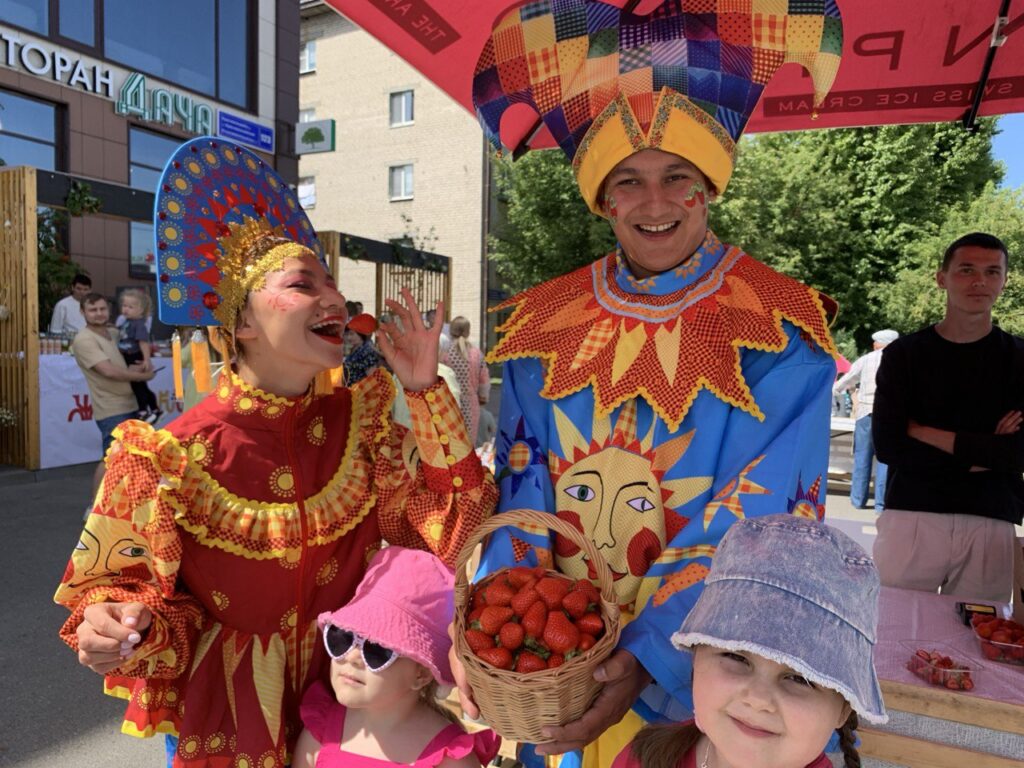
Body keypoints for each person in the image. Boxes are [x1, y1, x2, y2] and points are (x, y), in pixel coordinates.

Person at [462, 3, 845, 765]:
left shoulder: (781, 335)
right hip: (554, 674)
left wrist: (645, 655)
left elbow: (765, 521)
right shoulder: (544, 329)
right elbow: (522, 490)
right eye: (628, 181)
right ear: (602, 198)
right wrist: (508, 635)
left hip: (694, 693)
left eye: (679, 177)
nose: (655, 201)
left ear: (711, 187)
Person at [54, 137, 496, 768]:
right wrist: (117, 625)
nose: (334, 300)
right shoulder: (164, 456)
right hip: (230, 714)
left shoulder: (366, 424)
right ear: (241, 323)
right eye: (302, 284)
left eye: (332, 285)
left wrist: (424, 391)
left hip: (353, 698)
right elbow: (121, 591)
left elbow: (454, 528)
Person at [612, 514, 887, 768]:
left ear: (843, 709)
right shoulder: (640, 759)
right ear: (696, 656)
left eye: (800, 678)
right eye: (736, 657)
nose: (757, 699)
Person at [873, 232, 1024, 602]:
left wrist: (923, 432)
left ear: (1004, 281)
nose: (980, 281)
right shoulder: (903, 355)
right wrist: (986, 451)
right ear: (942, 278)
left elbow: (1018, 454)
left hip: (991, 518)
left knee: (979, 634)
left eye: (992, 272)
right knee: (890, 626)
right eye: (967, 270)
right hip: (912, 513)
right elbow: (890, 446)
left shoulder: (1020, 359)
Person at [293, 546, 500, 768]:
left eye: (377, 649)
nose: (352, 656)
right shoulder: (320, 731)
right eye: (343, 637)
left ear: (421, 674)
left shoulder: (450, 758)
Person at [70, 292, 156, 499]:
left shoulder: (114, 332)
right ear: (82, 312)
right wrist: (143, 376)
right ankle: (94, 507)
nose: (99, 313)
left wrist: (142, 362)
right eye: (93, 310)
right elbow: (108, 371)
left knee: (134, 458)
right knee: (111, 458)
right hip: (111, 409)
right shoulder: (83, 340)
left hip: (132, 404)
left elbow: (132, 353)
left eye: (102, 309)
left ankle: (126, 505)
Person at [832, 329, 898, 512]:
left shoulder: (867, 359)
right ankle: (881, 504)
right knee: (885, 460)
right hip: (890, 415)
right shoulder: (902, 358)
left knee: (862, 457)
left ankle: (858, 500)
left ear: (878, 344)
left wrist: (834, 390)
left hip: (866, 413)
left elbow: (847, 380)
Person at [440, 317, 490, 447]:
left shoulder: (444, 353)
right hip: (470, 404)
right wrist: (483, 397)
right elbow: (484, 380)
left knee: (450, 442)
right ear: (468, 331)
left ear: (451, 331)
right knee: (468, 442)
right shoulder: (476, 353)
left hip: (448, 403)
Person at [117, 288, 163, 424]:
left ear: (141, 310)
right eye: (124, 306)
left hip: (135, 356)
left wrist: (146, 359)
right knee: (138, 385)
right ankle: (154, 409)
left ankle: (144, 409)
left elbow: (143, 343)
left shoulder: (139, 324)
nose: (126, 309)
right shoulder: (125, 321)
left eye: (130, 307)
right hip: (126, 355)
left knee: (138, 385)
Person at [344, 312, 383, 385]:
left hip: (359, 390)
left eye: (352, 334)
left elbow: (373, 379)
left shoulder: (367, 352)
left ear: (361, 334)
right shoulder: (356, 349)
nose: (349, 337)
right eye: (347, 334)